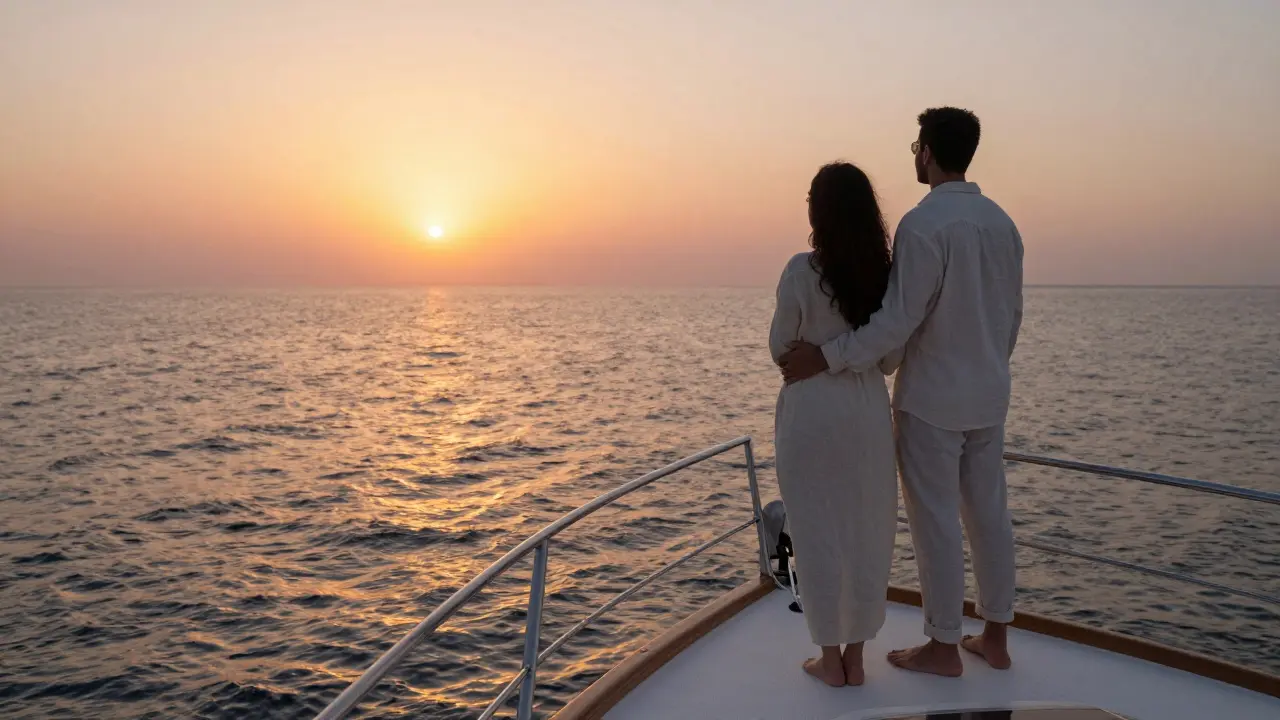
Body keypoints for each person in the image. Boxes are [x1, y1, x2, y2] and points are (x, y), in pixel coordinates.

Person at [780, 107, 1024, 677]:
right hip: (990, 393)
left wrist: (828, 357)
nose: (914, 154)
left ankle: (943, 645)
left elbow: (898, 322)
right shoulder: (1003, 224)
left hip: (933, 400)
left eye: (916, 145)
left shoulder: (923, 226)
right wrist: (989, 366)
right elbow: (1012, 316)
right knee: (989, 513)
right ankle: (995, 637)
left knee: (935, 518)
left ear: (928, 152)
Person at [770, 162, 901, 687]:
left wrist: (815, 353)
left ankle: (829, 660)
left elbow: (782, 348)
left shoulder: (800, 270)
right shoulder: (885, 276)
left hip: (811, 414)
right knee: (867, 531)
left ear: (819, 210)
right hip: (866, 414)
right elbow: (890, 359)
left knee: (816, 532)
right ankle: (856, 656)